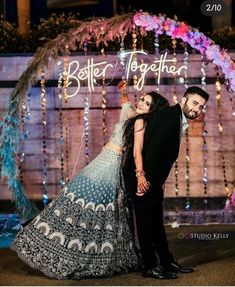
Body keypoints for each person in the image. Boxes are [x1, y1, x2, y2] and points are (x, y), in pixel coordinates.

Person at [10, 81, 169, 280]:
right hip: (103, 159)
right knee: (80, 198)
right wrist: (124, 91)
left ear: (152, 109)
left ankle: (84, 253)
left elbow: (137, 151)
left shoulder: (141, 122)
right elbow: (126, 103)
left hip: (111, 164)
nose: (142, 103)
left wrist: (140, 174)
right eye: (143, 99)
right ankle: (69, 248)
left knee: (93, 204)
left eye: (146, 103)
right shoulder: (132, 115)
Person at [122, 86, 209, 279]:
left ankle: (167, 261)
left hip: (152, 178)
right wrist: (142, 178)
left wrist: (157, 182)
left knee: (156, 223)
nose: (197, 109)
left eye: (201, 107)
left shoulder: (175, 117)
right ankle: (150, 265)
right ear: (184, 100)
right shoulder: (170, 117)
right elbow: (153, 151)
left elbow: (162, 154)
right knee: (145, 223)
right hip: (142, 178)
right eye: (195, 103)